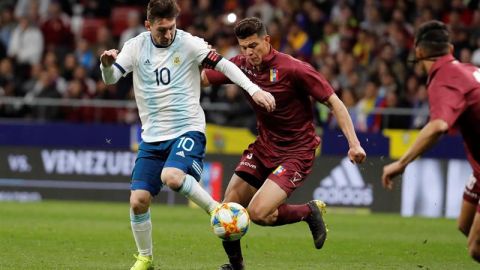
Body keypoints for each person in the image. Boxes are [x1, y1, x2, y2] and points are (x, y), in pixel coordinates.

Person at [99, 2, 276, 270]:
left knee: (172, 176)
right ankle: (145, 258)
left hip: (187, 128)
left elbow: (225, 66)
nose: (168, 34)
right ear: (148, 26)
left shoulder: (190, 44)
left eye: (172, 27)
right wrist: (106, 65)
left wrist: (254, 90)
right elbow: (111, 79)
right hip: (153, 137)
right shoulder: (136, 46)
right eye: (162, 29)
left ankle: (217, 210)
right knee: (138, 201)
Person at [201, 17, 366, 270]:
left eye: (254, 45)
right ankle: (236, 266)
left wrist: (354, 144)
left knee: (259, 214)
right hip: (264, 146)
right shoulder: (240, 66)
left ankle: (309, 212)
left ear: (267, 40)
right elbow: (203, 78)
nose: (248, 53)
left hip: (296, 151)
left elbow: (335, 102)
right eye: (243, 47)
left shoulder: (294, 69)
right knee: (229, 206)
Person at [382, 20, 480, 263]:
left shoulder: (444, 77)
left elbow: (438, 126)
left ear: (419, 52)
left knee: (476, 247)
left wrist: (401, 163)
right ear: (451, 49)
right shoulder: (467, 69)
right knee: (465, 224)